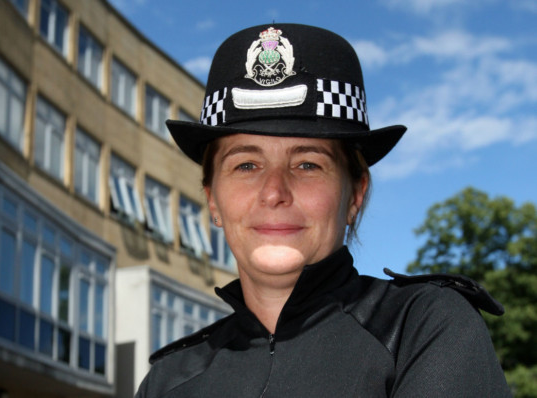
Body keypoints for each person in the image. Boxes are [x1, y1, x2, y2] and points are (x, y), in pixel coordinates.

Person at [135, 24, 511, 397]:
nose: (274, 192)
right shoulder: (167, 381)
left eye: (308, 165)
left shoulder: (421, 328)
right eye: (246, 165)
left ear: (354, 194)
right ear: (212, 199)